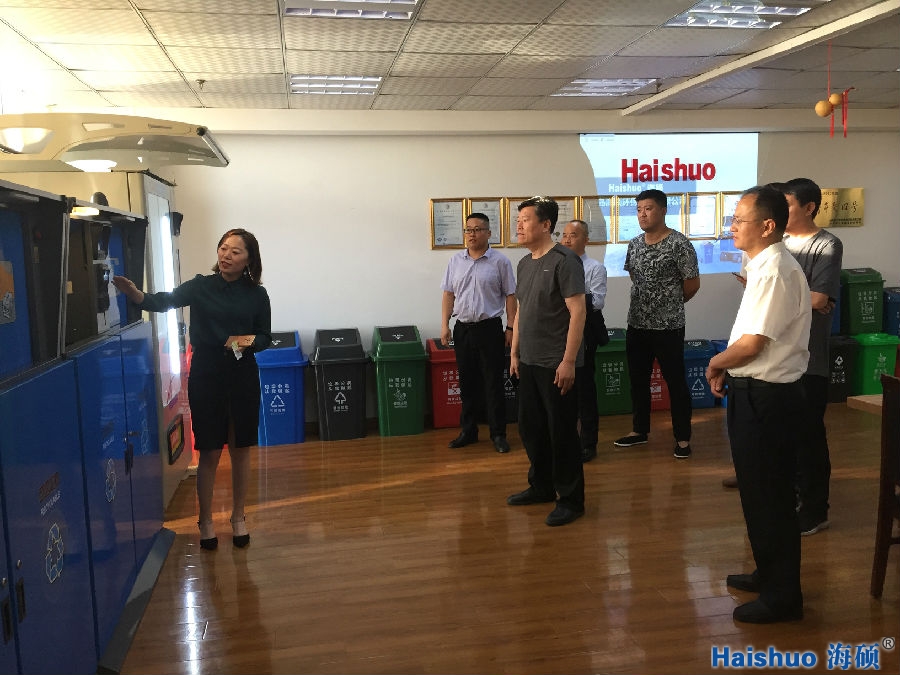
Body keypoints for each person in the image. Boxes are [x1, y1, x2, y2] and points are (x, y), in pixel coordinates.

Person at [113, 228, 272, 550]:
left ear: (249, 260)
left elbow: (265, 336)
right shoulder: (201, 286)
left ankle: (238, 516)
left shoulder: (257, 294)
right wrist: (137, 295)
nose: (226, 255)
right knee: (210, 449)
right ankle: (206, 521)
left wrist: (241, 342)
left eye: (236, 252)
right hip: (206, 373)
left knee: (241, 449)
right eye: (223, 248)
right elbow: (164, 301)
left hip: (242, 375)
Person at [705, 185, 811, 624]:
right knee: (757, 492)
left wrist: (716, 362)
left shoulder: (775, 271)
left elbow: (752, 345)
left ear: (767, 226)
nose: (732, 227)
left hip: (770, 397)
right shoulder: (761, 265)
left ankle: (784, 597)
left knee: (771, 496)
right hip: (752, 392)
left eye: (738, 220)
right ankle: (768, 573)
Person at [506, 196, 586, 527]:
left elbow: (578, 312)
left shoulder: (565, 261)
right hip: (529, 360)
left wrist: (569, 361)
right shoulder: (525, 263)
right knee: (531, 429)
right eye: (519, 220)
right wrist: (514, 352)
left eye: (525, 219)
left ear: (546, 224)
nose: (519, 225)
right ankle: (540, 486)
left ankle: (570, 500)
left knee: (562, 432)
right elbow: (522, 310)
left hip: (556, 363)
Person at [616, 189, 700, 458]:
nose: (642, 214)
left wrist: (669, 303)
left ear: (663, 210)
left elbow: (692, 284)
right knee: (638, 380)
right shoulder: (634, 244)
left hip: (669, 326)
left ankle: (683, 438)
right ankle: (639, 431)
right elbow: (635, 277)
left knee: (675, 382)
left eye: (648, 208)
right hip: (637, 324)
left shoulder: (679, 243)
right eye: (639, 209)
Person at [781, 178, 843, 535]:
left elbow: (820, 299)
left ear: (809, 207)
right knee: (784, 434)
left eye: (788, 205)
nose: (781, 212)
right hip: (778, 355)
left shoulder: (826, 244)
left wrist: (786, 298)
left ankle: (816, 510)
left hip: (809, 357)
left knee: (809, 437)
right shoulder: (780, 242)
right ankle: (791, 497)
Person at [440, 212, 517, 453]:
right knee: (467, 382)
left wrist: (511, 327)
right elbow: (448, 294)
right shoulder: (455, 261)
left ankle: (498, 434)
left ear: (488, 233)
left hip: (489, 328)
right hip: (462, 329)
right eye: (468, 230)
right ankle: (469, 431)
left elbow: (510, 296)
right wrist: (444, 325)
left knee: (493, 383)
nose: (471, 234)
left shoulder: (500, 261)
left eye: (477, 229)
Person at [560, 219, 609, 463]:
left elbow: (597, 301)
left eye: (574, 235)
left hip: (584, 332)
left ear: (586, 239)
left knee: (584, 388)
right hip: (559, 332)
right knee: (561, 388)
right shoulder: (557, 265)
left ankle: (588, 443)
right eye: (564, 235)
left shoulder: (594, 268)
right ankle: (566, 440)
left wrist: (572, 300)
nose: (567, 239)